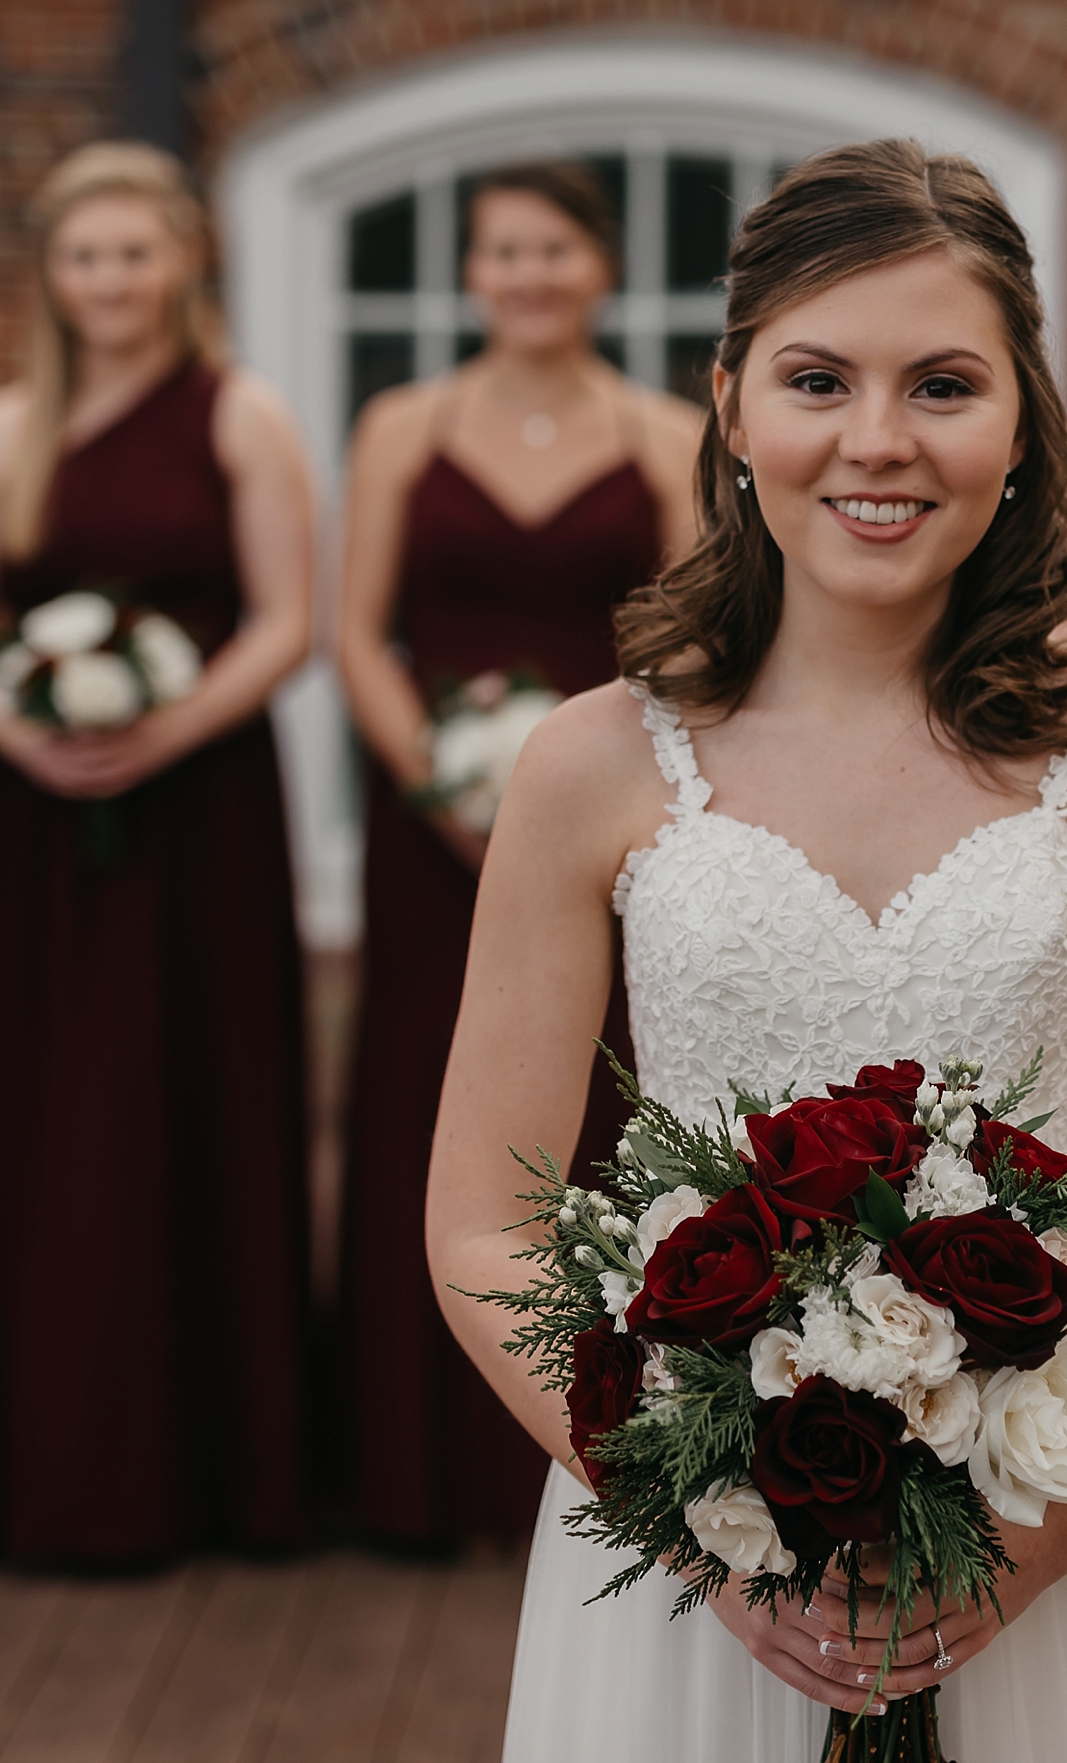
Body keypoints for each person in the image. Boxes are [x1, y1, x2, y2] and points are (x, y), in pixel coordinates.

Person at [429, 140, 1067, 1760]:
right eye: (819, 379)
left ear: (1022, 418)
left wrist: (1050, 1538)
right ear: (729, 401)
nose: (878, 443)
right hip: (701, 1578)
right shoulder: (589, 767)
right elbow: (485, 1223)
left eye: (945, 384)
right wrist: (696, 1518)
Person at [0, 141, 318, 1563]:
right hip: (28, 826)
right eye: (85, 257)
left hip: (196, 817)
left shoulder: (240, 416)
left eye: (134, 254)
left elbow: (289, 619)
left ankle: (216, 1472)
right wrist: (22, 735)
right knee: (39, 1114)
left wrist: (165, 731)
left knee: (178, 1099)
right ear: (51, 273)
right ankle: (19, 1465)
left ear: (182, 262)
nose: (111, 282)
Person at [335, 161, 700, 1550]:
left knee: (601, 1106)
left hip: (609, 823)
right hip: (430, 830)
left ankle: (605, 1430)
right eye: (504, 250)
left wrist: (580, 801)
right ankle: (413, 1468)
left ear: (597, 268)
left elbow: (687, 637)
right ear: (471, 272)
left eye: (555, 248)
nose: (530, 272)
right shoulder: (401, 427)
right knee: (431, 1098)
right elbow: (361, 632)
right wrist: (439, 776)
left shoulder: (664, 434)